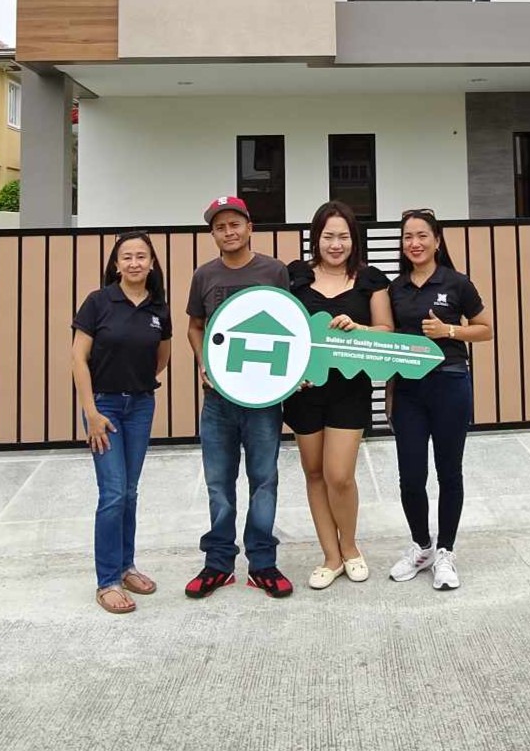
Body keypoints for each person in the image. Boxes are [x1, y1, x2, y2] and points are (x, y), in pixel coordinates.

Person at [185, 196, 293, 599]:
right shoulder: (204, 275)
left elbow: (290, 326)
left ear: (250, 227)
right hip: (218, 400)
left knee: (264, 481)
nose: (228, 232)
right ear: (213, 234)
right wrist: (204, 361)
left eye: (235, 224)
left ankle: (262, 563)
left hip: (263, 400)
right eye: (220, 227)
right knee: (218, 483)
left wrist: (290, 372)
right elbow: (195, 326)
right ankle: (218, 564)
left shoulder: (274, 271)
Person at [283, 201, 393, 589]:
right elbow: (284, 329)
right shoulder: (295, 276)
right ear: (316, 238)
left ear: (354, 239)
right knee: (314, 473)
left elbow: (386, 330)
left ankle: (350, 547)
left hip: (351, 389)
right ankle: (330, 556)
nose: (335, 244)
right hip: (304, 392)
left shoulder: (370, 279)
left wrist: (359, 327)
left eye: (343, 236)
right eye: (328, 236)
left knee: (339, 475)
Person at [387, 209, 493, 591]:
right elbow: (387, 336)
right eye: (408, 237)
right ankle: (422, 547)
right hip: (409, 391)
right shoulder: (395, 288)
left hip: (450, 384)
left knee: (449, 472)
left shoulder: (457, 282)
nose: (414, 243)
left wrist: (448, 330)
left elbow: (485, 329)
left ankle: (446, 551)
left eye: (422, 235)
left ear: (436, 240)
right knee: (411, 476)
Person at [72, 231, 172, 614]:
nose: (134, 263)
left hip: (141, 406)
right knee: (113, 492)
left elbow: (161, 358)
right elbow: (78, 358)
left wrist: (137, 382)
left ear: (151, 263)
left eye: (141, 256)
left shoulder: (158, 309)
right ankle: (108, 581)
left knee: (129, 491)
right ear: (116, 264)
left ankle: (127, 566)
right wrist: (92, 412)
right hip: (104, 408)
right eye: (126, 257)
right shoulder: (98, 302)